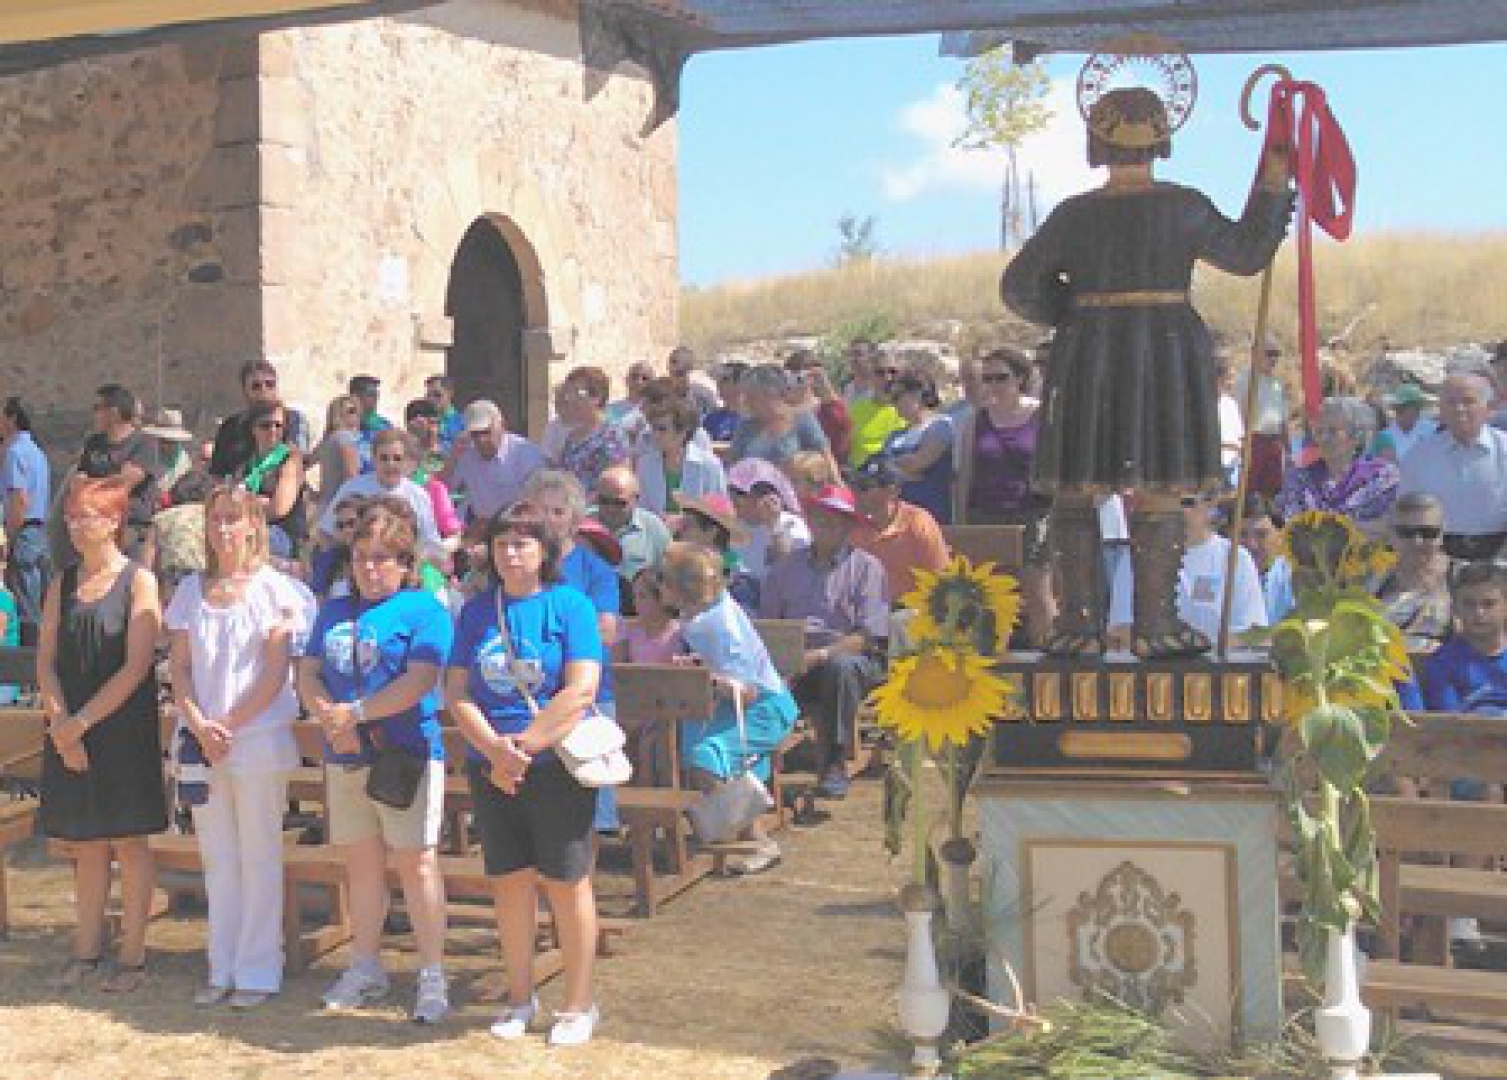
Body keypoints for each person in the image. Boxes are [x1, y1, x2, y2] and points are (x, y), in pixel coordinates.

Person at [1002, 86, 1292, 657]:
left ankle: (1078, 625)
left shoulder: (1074, 215)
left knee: (1077, 488)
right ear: (1162, 139)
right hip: (1164, 349)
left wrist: (1073, 314)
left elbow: (1019, 287)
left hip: (1090, 353)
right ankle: (1156, 625)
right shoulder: (1182, 206)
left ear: (1096, 141)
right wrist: (1274, 185)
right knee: (1160, 485)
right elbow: (1246, 252)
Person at [446, 504, 606, 1046]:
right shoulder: (476, 612)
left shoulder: (570, 606)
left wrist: (526, 745)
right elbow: (457, 691)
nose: (511, 554)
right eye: (501, 544)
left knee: (566, 881)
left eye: (522, 543)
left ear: (544, 550)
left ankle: (578, 1004)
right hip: (492, 765)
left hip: (555, 764)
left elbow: (580, 688)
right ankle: (519, 997)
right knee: (510, 883)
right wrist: (495, 750)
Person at [297, 500, 453, 1023]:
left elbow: (420, 678)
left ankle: (432, 975)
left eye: (383, 558)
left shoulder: (424, 610)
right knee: (361, 864)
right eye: (362, 556)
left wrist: (357, 714)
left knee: (416, 862)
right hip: (345, 753)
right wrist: (328, 717)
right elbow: (309, 671)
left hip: (405, 753)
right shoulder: (334, 611)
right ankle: (365, 965)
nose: (370, 568)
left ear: (406, 564)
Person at [166, 485, 314, 1009]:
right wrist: (199, 723)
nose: (224, 529)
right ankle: (221, 965)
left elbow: (275, 673)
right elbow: (180, 668)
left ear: (253, 524)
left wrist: (229, 724)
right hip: (202, 742)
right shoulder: (191, 590)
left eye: (233, 519)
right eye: (216, 519)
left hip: (257, 740)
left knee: (259, 854)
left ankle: (258, 968)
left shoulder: (277, 591)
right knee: (219, 858)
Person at [37, 476, 165, 992]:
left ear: (113, 521)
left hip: (121, 729)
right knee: (85, 843)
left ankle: (132, 957)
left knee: (129, 842)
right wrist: (60, 724)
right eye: (70, 517)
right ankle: (85, 951)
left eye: (84, 516)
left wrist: (82, 723)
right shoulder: (61, 583)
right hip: (69, 729)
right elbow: (46, 662)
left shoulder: (139, 582)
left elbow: (136, 667)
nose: (74, 525)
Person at [661, 543, 798, 874]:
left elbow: (747, 692)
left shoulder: (718, 623)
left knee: (705, 756)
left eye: (664, 580)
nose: (659, 586)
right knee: (683, 739)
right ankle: (725, 832)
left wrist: (704, 675)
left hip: (767, 709)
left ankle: (750, 839)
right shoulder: (703, 614)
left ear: (681, 588)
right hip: (735, 704)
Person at [760, 484, 888, 800]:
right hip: (791, 656)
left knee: (840, 668)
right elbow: (767, 625)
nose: (826, 525)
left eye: (835, 519)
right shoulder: (784, 568)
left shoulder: (867, 568)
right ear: (810, 522)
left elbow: (868, 635)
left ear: (849, 526)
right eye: (820, 518)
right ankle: (753, 767)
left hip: (848, 658)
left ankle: (833, 761)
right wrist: (782, 657)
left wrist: (819, 655)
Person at [522, 469, 622, 832]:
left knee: (591, 809)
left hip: (587, 695)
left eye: (558, 512)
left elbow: (606, 630)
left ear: (575, 520)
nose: (549, 520)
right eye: (540, 510)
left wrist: (551, 641)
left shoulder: (595, 570)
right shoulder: (518, 565)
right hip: (530, 695)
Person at [1421, 562, 1507, 952]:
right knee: (1489, 783)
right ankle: (1464, 909)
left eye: (1488, 604)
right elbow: (1453, 725)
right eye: (1469, 605)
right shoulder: (1444, 662)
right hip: (1464, 765)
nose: (1479, 614)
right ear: (1455, 608)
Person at [953, 346, 1053, 644]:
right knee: (987, 595)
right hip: (985, 514)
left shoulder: (1041, 415)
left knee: (1036, 592)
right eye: (987, 378)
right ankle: (991, 661)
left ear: (1020, 378)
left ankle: (1047, 659)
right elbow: (966, 474)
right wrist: (962, 524)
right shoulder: (977, 419)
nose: (993, 385)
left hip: (1031, 514)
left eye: (1001, 377)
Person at [1108, 492, 1268, 647]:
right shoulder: (1135, 557)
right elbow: (1120, 631)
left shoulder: (1236, 559)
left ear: (1210, 503)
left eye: (1185, 503)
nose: (1173, 511)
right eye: (1166, 503)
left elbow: (1253, 635)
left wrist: (1195, 647)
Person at [1398, 372, 1507, 563]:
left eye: (1468, 401)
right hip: (1436, 555)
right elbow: (1406, 510)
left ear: (1489, 408)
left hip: (1500, 553)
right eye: (1451, 402)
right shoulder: (1419, 455)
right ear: (1440, 409)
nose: (1459, 409)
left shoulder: (1504, 448)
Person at [1275, 396, 1399, 535]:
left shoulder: (1382, 477)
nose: (1324, 438)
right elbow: (1292, 524)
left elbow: (1387, 525)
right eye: (1319, 431)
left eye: (1333, 431)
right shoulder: (1299, 478)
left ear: (1356, 436)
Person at [74, 383, 161, 564]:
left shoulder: (144, 443)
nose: (94, 414)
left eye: (98, 408)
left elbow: (125, 483)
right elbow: (77, 483)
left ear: (114, 412)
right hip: (95, 528)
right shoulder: (93, 443)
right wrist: (105, 483)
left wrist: (91, 484)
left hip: (131, 529)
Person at [319, 430, 443, 556]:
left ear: (406, 461)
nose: (390, 464)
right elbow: (325, 533)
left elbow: (431, 544)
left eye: (397, 458)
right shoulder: (352, 487)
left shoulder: (419, 495)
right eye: (384, 458)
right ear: (373, 459)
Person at [851, 457, 950, 604]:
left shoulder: (919, 523)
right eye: (854, 486)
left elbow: (941, 580)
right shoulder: (848, 525)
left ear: (892, 491)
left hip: (911, 610)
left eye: (864, 487)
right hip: (862, 610)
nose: (856, 493)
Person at [444, 399, 545, 531]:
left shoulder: (527, 454)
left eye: (486, 432)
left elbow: (539, 502)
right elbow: (442, 488)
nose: (481, 440)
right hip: (482, 527)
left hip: (520, 527)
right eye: (475, 434)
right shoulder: (465, 452)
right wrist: (452, 459)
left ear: (502, 425)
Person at [0, 396, 51, 644]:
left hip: (23, 532)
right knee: (36, 598)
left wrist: (9, 537)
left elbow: (19, 499)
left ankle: (27, 660)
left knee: (24, 602)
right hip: (39, 532)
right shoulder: (37, 452)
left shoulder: (15, 452)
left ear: (11, 419)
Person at [1377, 492, 1454, 654]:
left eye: (1428, 533)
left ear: (1442, 534)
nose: (1417, 542)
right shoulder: (1368, 578)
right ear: (1390, 534)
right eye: (1406, 533)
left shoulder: (1463, 578)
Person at [208, 361, 311, 479]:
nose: (264, 390)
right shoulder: (230, 426)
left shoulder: (293, 419)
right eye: (256, 386)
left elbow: (297, 459)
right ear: (245, 391)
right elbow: (217, 472)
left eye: (270, 384)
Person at [730, 365, 835, 475]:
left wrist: (839, 486)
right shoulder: (745, 425)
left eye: (750, 396)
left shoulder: (802, 419)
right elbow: (734, 464)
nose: (744, 401)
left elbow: (827, 461)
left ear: (768, 394)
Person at [880, 372, 955, 525]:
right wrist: (901, 468)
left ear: (918, 394)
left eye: (897, 396)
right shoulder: (895, 435)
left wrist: (894, 465)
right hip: (899, 513)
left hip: (932, 512)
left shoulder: (941, 425)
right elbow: (883, 469)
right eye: (892, 398)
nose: (893, 403)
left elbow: (918, 463)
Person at [238, 400, 307, 560]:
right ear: (253, 429)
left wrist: (248, 503)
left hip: (284, 537)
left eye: (278, 425)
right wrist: (257, 502)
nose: (273, 430)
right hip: (253, 530)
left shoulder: (290, 460)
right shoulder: (247, 463)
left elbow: (278, 509)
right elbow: (232, 500)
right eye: (265, 425)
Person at [637, 396, 727, 514]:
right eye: (653, 428)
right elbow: (643, 510)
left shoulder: (710, 466)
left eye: (662, 429)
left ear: (682, 433)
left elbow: (720, 511)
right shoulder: (645, 464)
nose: (655, 434)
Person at [727, 457, 808, 586]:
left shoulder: (793, 526)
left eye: (738, 501)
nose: (733, 505)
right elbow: (730, 563)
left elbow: (785, 571)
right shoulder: (732, 526)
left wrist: (774, 525)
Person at [552, 366, 630, 493]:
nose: (571, 400)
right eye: (569, 393)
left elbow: (617, 486)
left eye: (578, 393)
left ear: (596, 398)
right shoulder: (572, 436)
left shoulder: (611, 437)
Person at [593, 466, 671, 592]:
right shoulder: (581, 525)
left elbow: (668, 576)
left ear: (636, 499)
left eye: (619, 503)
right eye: (604, 501)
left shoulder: (654, 529)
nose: (610, 508)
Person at [1236, 341, 1291, 499]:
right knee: (1249, 488)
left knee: (1273, 488)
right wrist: (1246, 443)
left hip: (1274, 442)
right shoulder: (1247, 379)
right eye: (1270, 354)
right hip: (1255, 440)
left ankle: (1268, 512)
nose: (1274, 359)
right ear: (1256, 354)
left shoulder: (1277, 384)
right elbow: (1241, 412)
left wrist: (1288, 450)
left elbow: (1282, 418)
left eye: (1276, 354)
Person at [844, 340, 906, 468]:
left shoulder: (910, 410)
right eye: (880, 372)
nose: (888, 378)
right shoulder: (855, 410)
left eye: (893, 372)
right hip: (859, 475)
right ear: (870, 375)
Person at [785, 351, 852, 465]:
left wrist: (825, 385)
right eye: (793, 372)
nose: (797, 377)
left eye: (802, 372)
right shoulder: (778, 409)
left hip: (822, 468)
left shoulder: (826, 409)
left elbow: (843, 430)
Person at [1237, 495, 1294, 625]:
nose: (1252, 545)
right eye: (1242, 534)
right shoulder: (1214, 573)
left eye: (1261, 535)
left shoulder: (1295, 578)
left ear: (1280, 537)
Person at [313, 394, 364, 516]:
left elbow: (304, 463)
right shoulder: (344, 437)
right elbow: (352, 478)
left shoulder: (327, 440)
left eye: (357, 410)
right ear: (338, 415)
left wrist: (310, 492)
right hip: (342, 507)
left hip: (325, 505)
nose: (357, 414)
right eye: (352, 411)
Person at [143, 407, 197, 497]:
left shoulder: (184, 461)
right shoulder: (145, 453)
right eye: (162, 440)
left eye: (170, 442)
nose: (164, 445)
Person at [1376, 384, 1435, 463]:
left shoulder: (1431, 429)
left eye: (1418, 408)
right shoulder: (1384, 436)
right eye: (1399, 408)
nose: (1417, 412)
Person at [404, 398, 449, 482]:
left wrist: (432, 444)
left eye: (433, 423)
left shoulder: (447, 449)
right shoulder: (401, 450)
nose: (431, 429)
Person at [1215, 360, 1245, 488]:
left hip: (1233, 467)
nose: (1231, 382)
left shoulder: (1231, 404)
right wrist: (1229, 446)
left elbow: (1240, 435)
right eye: (1228, 378)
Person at [702, 362, 747, 443]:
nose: (718, 383)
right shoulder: (710, 419)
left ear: (740, 384)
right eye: (718, 379)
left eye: (724, 379)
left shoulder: (758, 420)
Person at [423, 375, 466, 452]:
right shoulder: (423, 421)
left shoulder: (462, 422)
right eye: (428, 396)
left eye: (437, 395)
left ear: (450, 393)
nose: (432, 399)